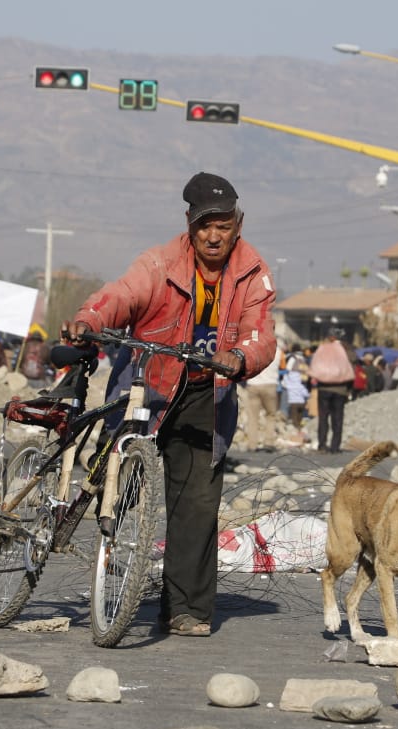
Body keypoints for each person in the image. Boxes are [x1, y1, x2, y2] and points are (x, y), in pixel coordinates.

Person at [65, 171, 276, 638]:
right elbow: (121, 295)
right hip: (149, 382)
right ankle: (111, 572)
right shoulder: (159, 263)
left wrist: (239, 356)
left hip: (208, 392)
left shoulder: (252, 272)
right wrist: (89, 318)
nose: (215, 235)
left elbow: (260, 333)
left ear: (238, 223)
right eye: (205, 225)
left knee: (198, 503)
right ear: (189, 224)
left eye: (224, 224)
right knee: (117, 487)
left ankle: (187, 609)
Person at [309, 327, 355, 453]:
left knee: (323, 418)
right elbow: (351, 365)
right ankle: (335, 447)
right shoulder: (344, 349)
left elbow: (314, 366)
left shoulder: (322, 348)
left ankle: (322, 444)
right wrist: (349, 389)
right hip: (340, 389)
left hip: (323, 388)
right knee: (337, 418)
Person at [241, 344, 284, 451]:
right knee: (271, 415)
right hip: (270, 385)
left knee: (253, 416)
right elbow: (283, 367)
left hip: (253, 385)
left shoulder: (253, 348)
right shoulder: (278, 351)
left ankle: (252, 444)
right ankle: (268, 443)